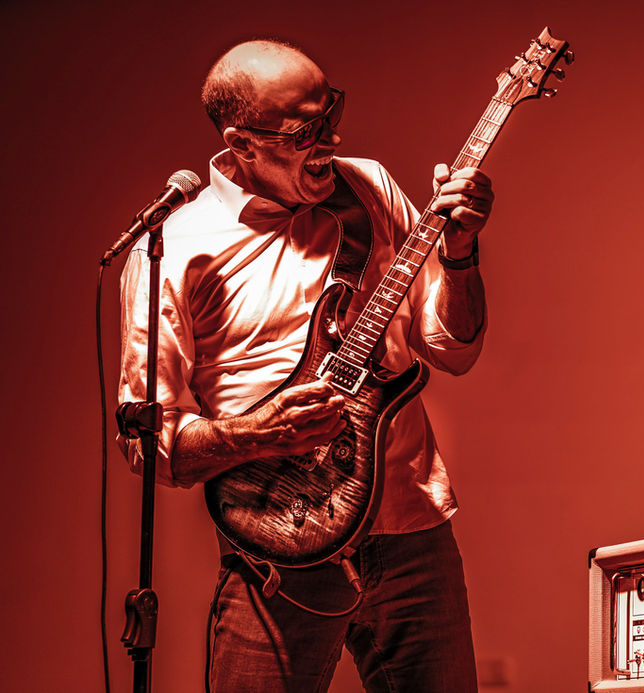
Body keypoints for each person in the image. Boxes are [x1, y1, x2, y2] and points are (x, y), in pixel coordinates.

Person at [117, 38, 493, 692]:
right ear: (241, 144)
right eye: (304, 132)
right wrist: (258, 434)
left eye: (331, 114)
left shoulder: (368, 187)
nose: (331, 139)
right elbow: (150, 444)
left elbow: (450, 346)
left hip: (412, 533)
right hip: (278, 548)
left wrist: (459, 254)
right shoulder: (173, 249)